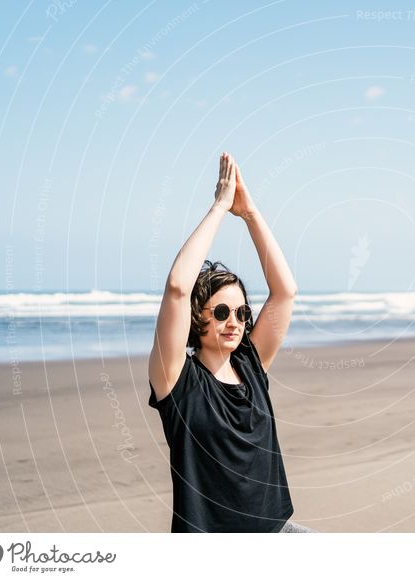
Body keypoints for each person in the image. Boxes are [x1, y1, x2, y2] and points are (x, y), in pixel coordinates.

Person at [147, 152, 315, 533]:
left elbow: (285, 292)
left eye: (241, 314)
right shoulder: (178, 382)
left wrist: (251, 214)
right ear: (197, 317)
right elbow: (177, 288)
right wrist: (220, 207)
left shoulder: (252, 366)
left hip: (276, 533)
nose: (234, 323)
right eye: (221, 312)